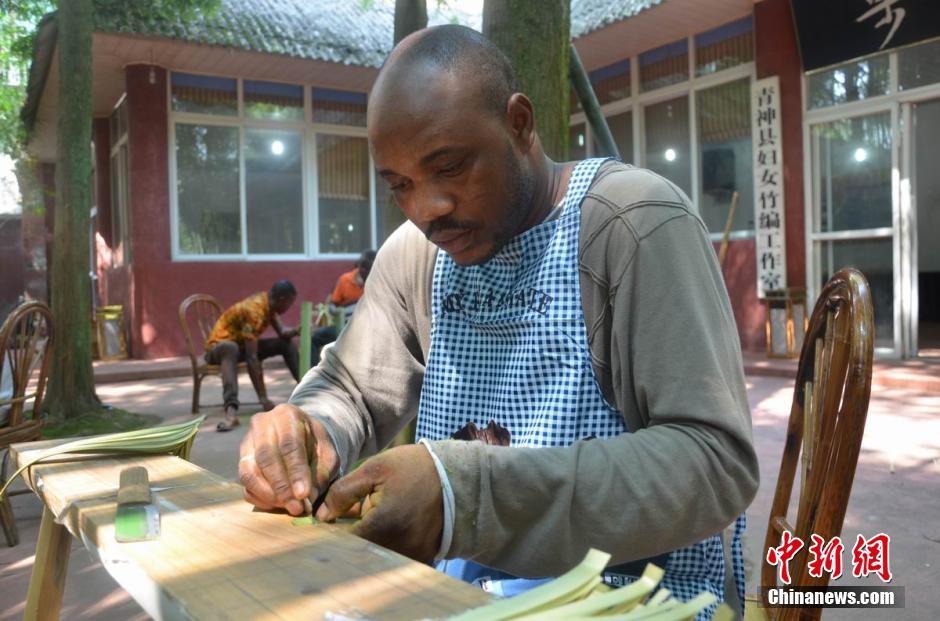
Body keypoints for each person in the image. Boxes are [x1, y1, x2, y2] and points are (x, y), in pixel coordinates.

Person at [237, 25, 758, 619]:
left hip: (631, 599)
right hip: (457, 597)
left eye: (450, 167)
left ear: (519, 124)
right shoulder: (414, 255)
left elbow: (713, 461)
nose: (427, 209)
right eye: (400, 186)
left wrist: (468, 494)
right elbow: (351, 389)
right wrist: (307, 433)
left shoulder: (630, 226)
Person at [205, 280, 300, 432]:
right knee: (230, 348)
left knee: (285, 343)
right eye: (290, 303)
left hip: (239, 346)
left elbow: (282, 332)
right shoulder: (254, 311)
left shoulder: (269, 304)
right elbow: (252, 358)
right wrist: (263, 398)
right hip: (217, 349)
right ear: (282, 299)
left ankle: (306, 387)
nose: (289, 308)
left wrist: (298, 330)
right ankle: (230, 411)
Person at [310, 250, 376, 365]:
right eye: (362, 267)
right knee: (314, 338)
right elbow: (332, 304)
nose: (364, 271)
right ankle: (313, 377)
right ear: (358, 265)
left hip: (369, 331)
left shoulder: (379, 282)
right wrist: (333, 310)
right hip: (343, 328)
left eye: (368, 268)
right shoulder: (345, 279)